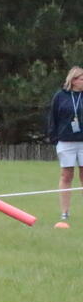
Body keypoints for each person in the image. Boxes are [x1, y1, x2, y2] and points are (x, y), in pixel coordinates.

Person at [47, 65, 83, 223]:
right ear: (73, 80)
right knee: (66, 175)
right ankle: (65, 212)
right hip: (65, 141)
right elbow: (52, 118)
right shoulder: (60, 96)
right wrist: (54, 138)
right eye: (82, 79)